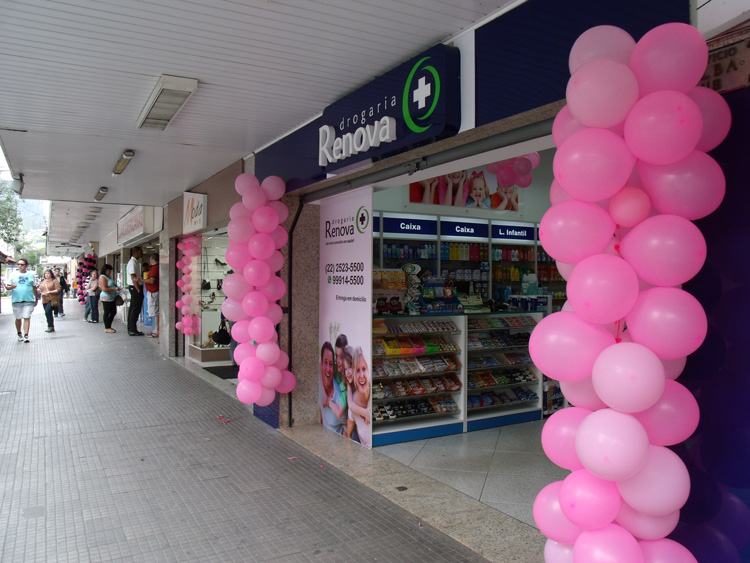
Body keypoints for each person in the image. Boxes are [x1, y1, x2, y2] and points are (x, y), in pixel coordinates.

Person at [5, 258, 38, 342]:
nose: (20, 266)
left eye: (22, 264)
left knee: (27, 317)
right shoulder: (13, 275)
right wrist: (12, 287)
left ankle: (26, 335)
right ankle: (19, 333)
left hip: (28, 300)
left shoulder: (31, 275)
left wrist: (36, 298)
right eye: (18, 264)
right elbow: (7, 286)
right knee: (18, 318)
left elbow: (34, 287)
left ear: (26, 266)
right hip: (16, 300)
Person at [343, 346, 370, 443]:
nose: (348, 372)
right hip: (356, 429)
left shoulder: (364, 383)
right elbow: (351, 405)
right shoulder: (349, 386)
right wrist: (366, 413)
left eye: (350, 367)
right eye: (345, 369)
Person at [319, 341, 347, 436]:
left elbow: (340, 415)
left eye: (330, 364)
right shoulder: (331, 372)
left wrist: (327, 400)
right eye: (325, 363)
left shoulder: (342, 393)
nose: (328, 368)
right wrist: (323, 392)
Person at [126, 246, 144, 336]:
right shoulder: (132, 262)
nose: (142, 253)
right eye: (141, 251)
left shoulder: (134, 262)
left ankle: (132, 328)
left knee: (133, 308)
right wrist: (138, 289)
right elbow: (133, 277)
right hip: (134, 287)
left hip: (134, 287)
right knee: (135, 309)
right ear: (136, 252)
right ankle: (132, 329)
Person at [38, 268, 61, 333]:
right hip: (45, 299)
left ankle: (50, 326)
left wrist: (50, 292)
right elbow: (40, 289)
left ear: (51, 274)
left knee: (48, 311)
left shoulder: (54, 281)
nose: (47, 275)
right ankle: (50, 326)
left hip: (52, 299)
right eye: (45, 273)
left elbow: (58, 289)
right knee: (47, 313)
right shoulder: (43, 282)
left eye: (48, 273)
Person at [98, 264, 119, 334]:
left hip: (112, 297)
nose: (109, 272)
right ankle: (107, 327)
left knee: (113, 311)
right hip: (106, 297)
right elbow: (104, 288)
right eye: (108, 270)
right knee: (107, 312)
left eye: (110, 270)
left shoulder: (108, 276)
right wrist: (114, 289)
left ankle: (109, 326)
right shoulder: (102, 277)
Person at [144, 254, 159, 338]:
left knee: (154, 311)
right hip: (152, 292)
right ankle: (156, 329)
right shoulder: (154, 268)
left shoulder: (155, 268)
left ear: (152, 258)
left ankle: (156, 330)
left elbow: (152, 280)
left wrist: (141, 280)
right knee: (154, 311)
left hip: (154, 292)